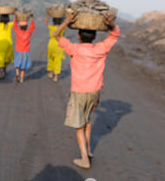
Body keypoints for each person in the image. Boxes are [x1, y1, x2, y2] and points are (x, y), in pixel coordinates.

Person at [53, 11, 120, 170]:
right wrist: (110, 23)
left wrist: (66, 21)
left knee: (79, 126)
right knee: (87, 120)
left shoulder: (75, 49)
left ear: (79, 37)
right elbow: (115, 34)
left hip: (79, 92)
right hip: (94, 92)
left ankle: (84, 158)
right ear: (94, 37)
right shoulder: (101, 49)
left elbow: (56, 35)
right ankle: (88, 150)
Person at [13, 13, 36, 83]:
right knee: (23, 66)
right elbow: (33, 26)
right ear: (26, 27)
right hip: (26, 52)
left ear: (20, 27)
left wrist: (15, 18)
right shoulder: (28, 33)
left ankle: (17, 73)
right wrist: (32, 18)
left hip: (18, 51)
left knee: (17, 64)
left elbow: (15, 26)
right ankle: (22, 79)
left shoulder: (18, 32)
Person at [0, 14, 14, 79]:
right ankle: (4, 70)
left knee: (0, 58)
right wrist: (15, 14)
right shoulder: (10, 24)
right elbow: (16, 21)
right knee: (6, 57)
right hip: (8, 43)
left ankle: (2, 72)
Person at [46, 15, 66, 82]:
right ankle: (56, 77)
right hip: (59, 46)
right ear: (60, 22)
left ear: (53, 22)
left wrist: (47, 14)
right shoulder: (62, 28)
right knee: (58, 62)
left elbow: (47, 22)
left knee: (51, 60)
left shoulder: (51, 27)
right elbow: (66, 23)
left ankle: (51, 73)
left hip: (51, 46)